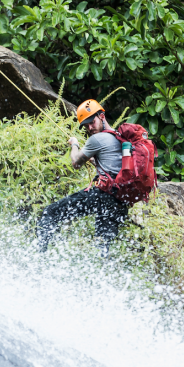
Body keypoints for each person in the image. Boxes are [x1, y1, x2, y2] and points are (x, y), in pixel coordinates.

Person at [37, 99, 129, 253]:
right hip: (119, 202)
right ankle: (106, 273)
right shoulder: (120, 138)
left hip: (101, 196)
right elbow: (113, 167)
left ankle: (40, 258)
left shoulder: (96, 139)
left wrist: (74, 144)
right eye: (86, 125)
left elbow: (76, 163)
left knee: (50, 213)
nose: (90, 127)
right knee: (102, 246)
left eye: (92, 122)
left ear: (102, 116)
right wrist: (95, 161)